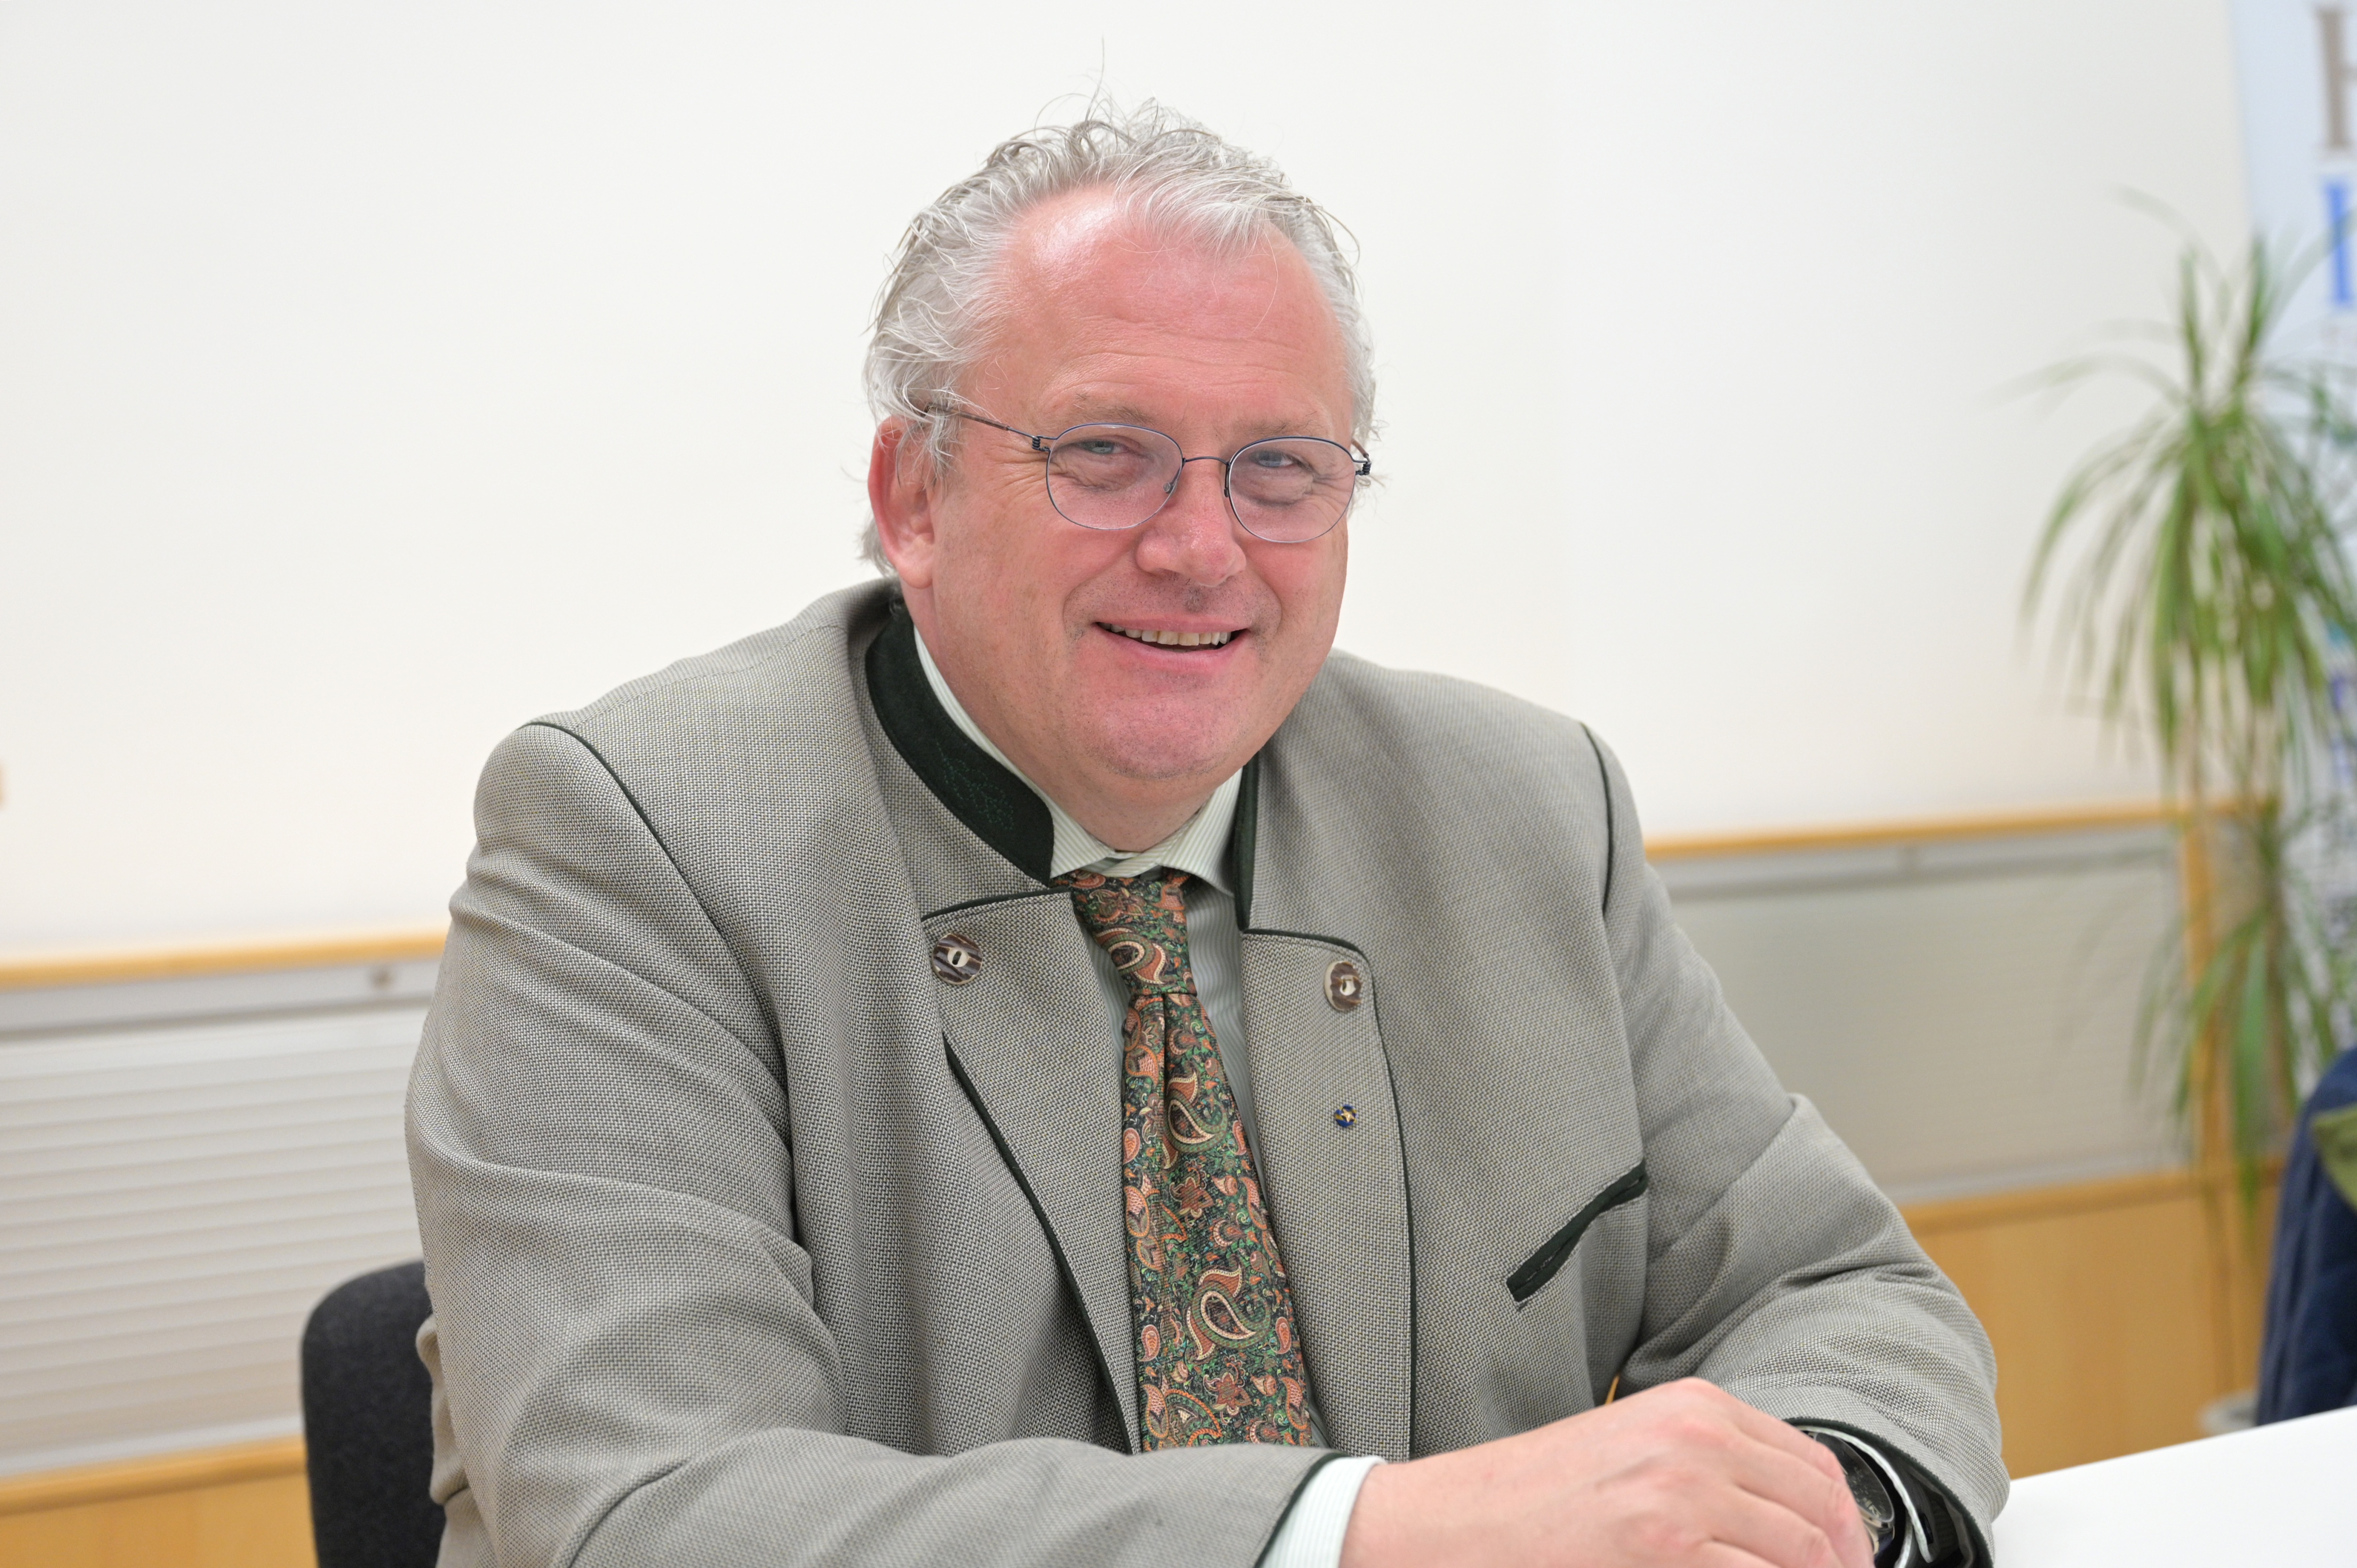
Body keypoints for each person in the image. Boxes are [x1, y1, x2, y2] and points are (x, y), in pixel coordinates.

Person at [407, 103, 2005, 1568]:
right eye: (1105, 455)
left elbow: (1834, 1290)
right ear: (915, 497)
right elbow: (656, 1513)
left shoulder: (1527, 809)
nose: (1201, 548)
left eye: (1279, 471)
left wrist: (1821, 1516)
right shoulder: (634, 843)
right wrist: (1359, 1538)